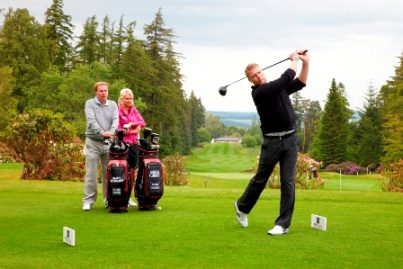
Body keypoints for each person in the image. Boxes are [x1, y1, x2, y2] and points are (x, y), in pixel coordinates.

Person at [234, 49, 309, 235]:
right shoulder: (260, 93)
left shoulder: (276, 87)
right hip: (272, 142)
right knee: (260, 179)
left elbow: (300, 82)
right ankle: (241, 207)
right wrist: (295, 59)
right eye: (254, 75)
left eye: (259, 72)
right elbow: (287, 76)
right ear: (251, 81)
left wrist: (305, 62)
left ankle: (282, 224)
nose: (259, 76)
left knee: (288, 182)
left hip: (290, 140)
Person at [83, 81, 118, 211]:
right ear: (96, 92)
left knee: (108, 173)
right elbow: (91, 121)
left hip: (108, 142)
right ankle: (88, 201)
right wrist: (102, 132)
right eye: (101, 91)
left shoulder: (113, 104)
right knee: (91, 173)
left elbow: (115, 120)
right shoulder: (89, 104)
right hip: (93, 141)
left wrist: (111, 132)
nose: (104, 93)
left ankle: (108, 199)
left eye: (105, 91)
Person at [117, 88, 146, 207]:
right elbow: (118, 129)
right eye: (127, 98)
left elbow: (142, 123)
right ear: (121, 99)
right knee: (123, 171)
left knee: (132, 171)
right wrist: (134, 130)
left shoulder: (133, 110)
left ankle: (128, 197)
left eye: (131, 98)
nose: (129, 100)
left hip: (134, 144)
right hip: (122, 145)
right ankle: (121, 196)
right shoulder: (118, 112)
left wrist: (132, 125)